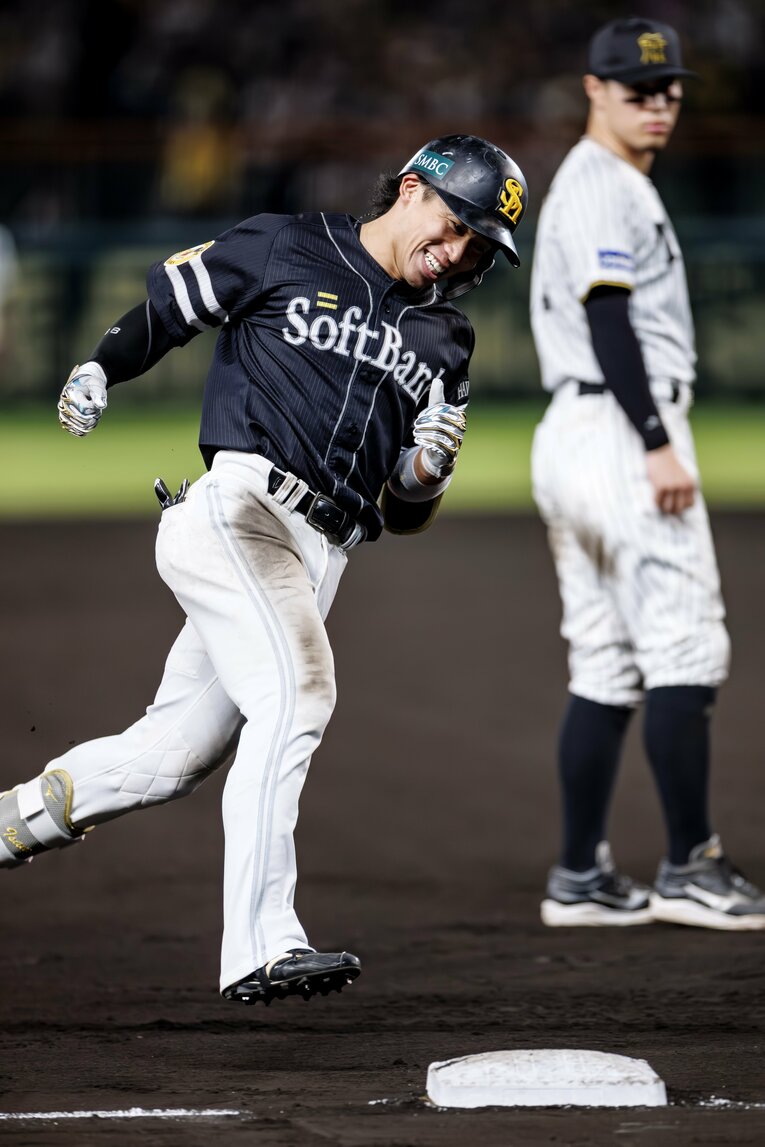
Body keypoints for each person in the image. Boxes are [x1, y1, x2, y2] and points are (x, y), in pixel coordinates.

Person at [0, 135, 529, 1002]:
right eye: (459, 221)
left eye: (480, 244)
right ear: (409, 189)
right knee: (299, 694)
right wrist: (101, 363)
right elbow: (170, 308)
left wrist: (425, 474)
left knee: (169, 756)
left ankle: (11, 822)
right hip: (239, 513)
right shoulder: (288, 244)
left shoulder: (445, 340)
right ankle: (260, 941)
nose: (463, 249)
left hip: (319, 556)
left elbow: (403, 513)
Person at [529, 17, 765, 930]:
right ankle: (690, 865)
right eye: (636, 89)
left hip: (582, 434)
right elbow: (610, 323)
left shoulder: (611, 181)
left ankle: (579, 876)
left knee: (606, 660)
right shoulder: (600, 186)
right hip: (620, 428)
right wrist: (656, 439)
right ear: (593, 89)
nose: (657, 103)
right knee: (683, 646)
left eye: (668, 90)